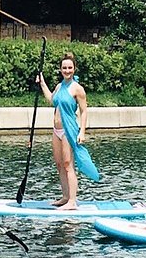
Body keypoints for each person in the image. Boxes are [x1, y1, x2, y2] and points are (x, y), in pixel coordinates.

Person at [36, 52, 101, 209]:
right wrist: (42, 83)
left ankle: (72, 201)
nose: (67, 71)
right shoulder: (59, 87)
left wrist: (82, 132)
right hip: (56, 130)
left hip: (68, 130)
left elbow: (84, 111)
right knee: (59, 164)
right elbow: (52, 100)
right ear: (60, 69)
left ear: (74, 69)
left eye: (70, 68)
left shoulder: (77, 89)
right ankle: (65, 197)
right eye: (64, 68)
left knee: (67, 164)